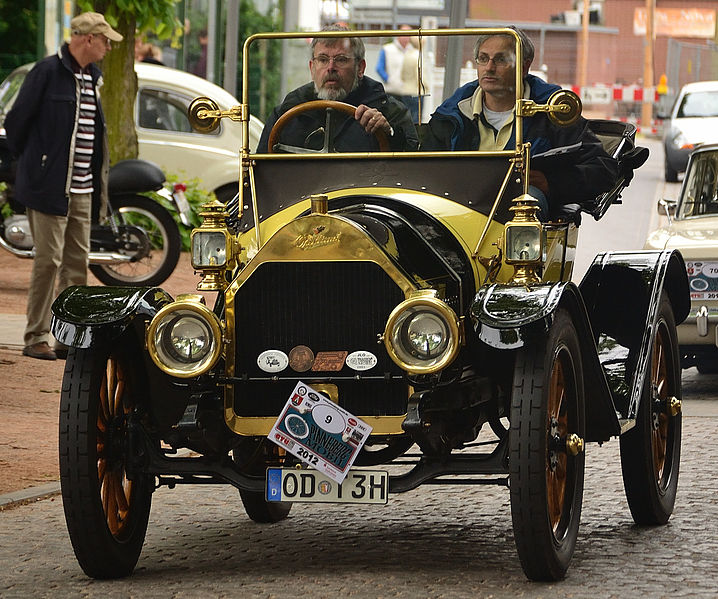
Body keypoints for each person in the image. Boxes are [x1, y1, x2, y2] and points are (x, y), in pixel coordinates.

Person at [4, 12, 121, 360]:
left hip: (82, 189)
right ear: (87, 39)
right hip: (48, 187)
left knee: (75, 263)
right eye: (105, 40)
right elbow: (16, 124)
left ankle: (67, 336)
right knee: (48, 261)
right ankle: (35, 335)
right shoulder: (47, 73)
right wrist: (36, 167)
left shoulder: (92, 78)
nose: (109, 47)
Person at [422, 27, 618, 220]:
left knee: (529, 202)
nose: (489, 67)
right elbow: (422, 172)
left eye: (501, 59)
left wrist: (551, 183)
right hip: (457, 209)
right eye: (483, 59)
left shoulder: (552, 112)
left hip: (522, 231)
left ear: (524, 67)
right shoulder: (451, 115)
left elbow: (603, 170)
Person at [257, 25, 418, 153]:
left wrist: (389, 133)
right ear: (312, 68)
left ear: (360, 68)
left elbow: (412, 168)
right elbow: (260, 173)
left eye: (341, 59)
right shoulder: (288, 112)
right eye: (323, 59)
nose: (331, 68)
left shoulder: (388, 111)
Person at [376, 24, 412, 105]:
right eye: (403, 34)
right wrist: (389, 80)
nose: (405, 37)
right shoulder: (387, 49)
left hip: (408, 93)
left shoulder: (413, 51)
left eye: (408, 35)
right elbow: (379, 68)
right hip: (392, 91)